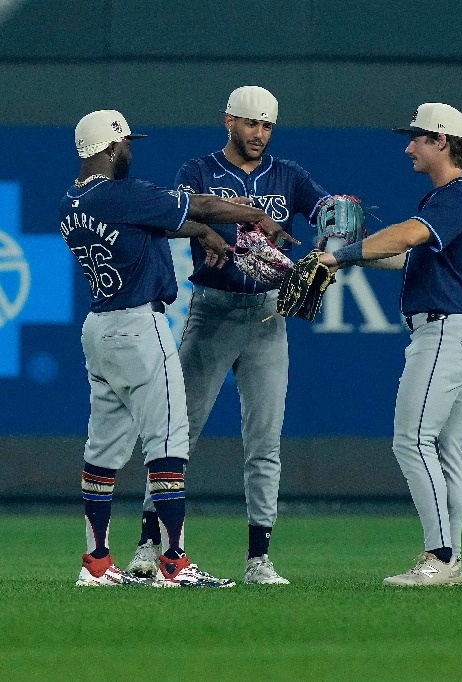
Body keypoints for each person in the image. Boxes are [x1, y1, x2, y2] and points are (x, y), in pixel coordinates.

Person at [62, 109, 293, 587]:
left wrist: (202, 233)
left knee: (103, 449)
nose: (130, 150)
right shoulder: (125, 193)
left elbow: (152, 223)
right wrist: (254, 214)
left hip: (99, 328)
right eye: (126, 144)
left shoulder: (72, 201)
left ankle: (97, 563)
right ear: (109, 148)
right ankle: (174, 562)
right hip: (138, 328)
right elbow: (201, 204)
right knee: (168, 442)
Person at [126, 86, 335, 585]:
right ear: (229, 122)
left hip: (267, 319)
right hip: (213, 314)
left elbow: (330, 214)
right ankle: (149, 545)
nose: (259, 133)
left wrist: (333, 242)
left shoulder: (288, 176)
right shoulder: (197, 172)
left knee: (264, 443)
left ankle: (258, 559)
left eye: (267, 126)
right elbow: (177, 218)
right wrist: (207, 226)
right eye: (250, 124)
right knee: (177, 432)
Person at [320, 103, 462, 587]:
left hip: (444, 335)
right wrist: (344, 260)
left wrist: (343, 253)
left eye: (416, 137)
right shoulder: (447, 198)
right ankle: (451, 561)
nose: (408, 146)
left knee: (411, 441)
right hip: (454, 333)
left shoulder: (455, 197)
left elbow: (407, 237)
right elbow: (404, 256)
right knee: (443, 450)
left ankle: (439, 556)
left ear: (442, 141)